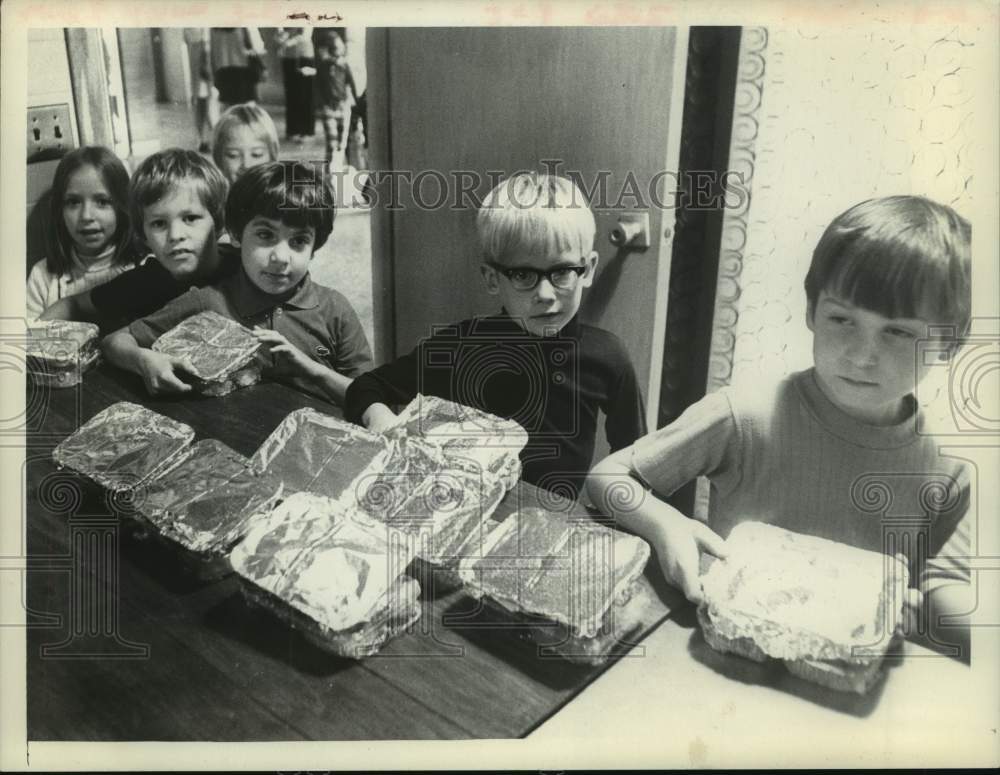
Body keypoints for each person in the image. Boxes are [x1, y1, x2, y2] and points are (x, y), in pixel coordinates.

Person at [587, 195, 973, 656]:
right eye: (841, 319)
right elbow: (606, 477)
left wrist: (930, 612)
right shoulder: (745, 414)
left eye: (898, 331)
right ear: (811, 312)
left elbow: (945, 590)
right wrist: (666, 525)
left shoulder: (947, 469)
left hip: (844, 677)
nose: (860, 354)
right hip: (733, 651)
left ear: (949, 344)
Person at [345, 172, 647, 497]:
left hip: (554, 525)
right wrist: (383, 422)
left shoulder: (609, 357)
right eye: (522, 275)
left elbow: (637, 461)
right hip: (465, 518)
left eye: (561, 272)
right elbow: (364, 387)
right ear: (492, 279)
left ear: (586, 270)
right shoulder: (462, 345)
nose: (545, 294)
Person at [102, 161, 373, 403]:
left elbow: (372, 397)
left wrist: (311, 369)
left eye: (299, 241)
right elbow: (116, 341)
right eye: (265, 235)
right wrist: (143, 360)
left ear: (314, 248)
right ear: (235, 235)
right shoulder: (207, 302)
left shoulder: (335, 309)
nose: (280, 257)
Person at [39, 148, 236, 331]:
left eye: (190, 218)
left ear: (218, 223)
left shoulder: (244, 269)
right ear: (144, 236)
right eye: (159, 224)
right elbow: (72, 305)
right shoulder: (145, 282)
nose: (175, 235)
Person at [27, 146, 137, 319]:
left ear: (122, 207)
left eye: (102, 202)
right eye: (73, 202)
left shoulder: (142, 267)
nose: (86, 216)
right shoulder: (43, 277)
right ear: (59, 210)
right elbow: (29, 341)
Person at [312, 30, 357, 167]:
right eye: (336, 47)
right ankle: (329, 173)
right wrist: (320, 105)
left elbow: (352, 85)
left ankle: (342, 171)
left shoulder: (344, 66)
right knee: (332, 143)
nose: (339, 50)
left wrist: (356, 105)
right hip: (329, 109)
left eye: (340, 47)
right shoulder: (323, 67)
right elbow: (318, 88)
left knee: (343, 144)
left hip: (343, 107)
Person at [211, 103, 279, 184]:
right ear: (218, 158)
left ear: (272, 156)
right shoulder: (213, 195)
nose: (246, 164)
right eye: (233, 155)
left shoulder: (284, 195)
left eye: (256, 154)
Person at [209, 27, 267, 109]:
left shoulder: (213, 28)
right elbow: (257, 47)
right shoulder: (245, 25)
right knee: (247, 110)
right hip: (243, 72)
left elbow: (212, 52)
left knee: (229, 109)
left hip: (223, 72)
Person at [275, 27, 315, 143]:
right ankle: (292, 130)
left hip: (305, 56)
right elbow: (279, 35)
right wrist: (281, 37)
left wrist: (287, 42)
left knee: (305, 95)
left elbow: (305, 35)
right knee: (291, 94)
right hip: (288, 58)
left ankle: (307, 131)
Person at [182, 28, 214, 153]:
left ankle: (204, 139)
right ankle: (203, 139)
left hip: (204, 79)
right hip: (201, 79)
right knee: (203, 110)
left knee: (206, 110)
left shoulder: (200, 42)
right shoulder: (194, 45)